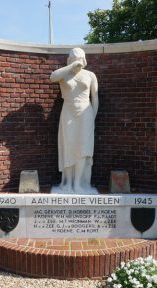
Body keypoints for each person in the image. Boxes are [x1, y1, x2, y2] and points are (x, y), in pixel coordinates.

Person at [50, 48, 99, 194]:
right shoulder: (64, 74)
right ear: (69, 59)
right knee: (69, 146)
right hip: (68, 113)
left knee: (84, 148)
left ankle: (78, 184)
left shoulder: (90, 75)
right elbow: (52, 77)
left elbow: (95, 98)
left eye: (80, 58)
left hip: (86, 114)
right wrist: (71, 67)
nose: (78, 62)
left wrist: (93, 118)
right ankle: (69, 183)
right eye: (75, 59)